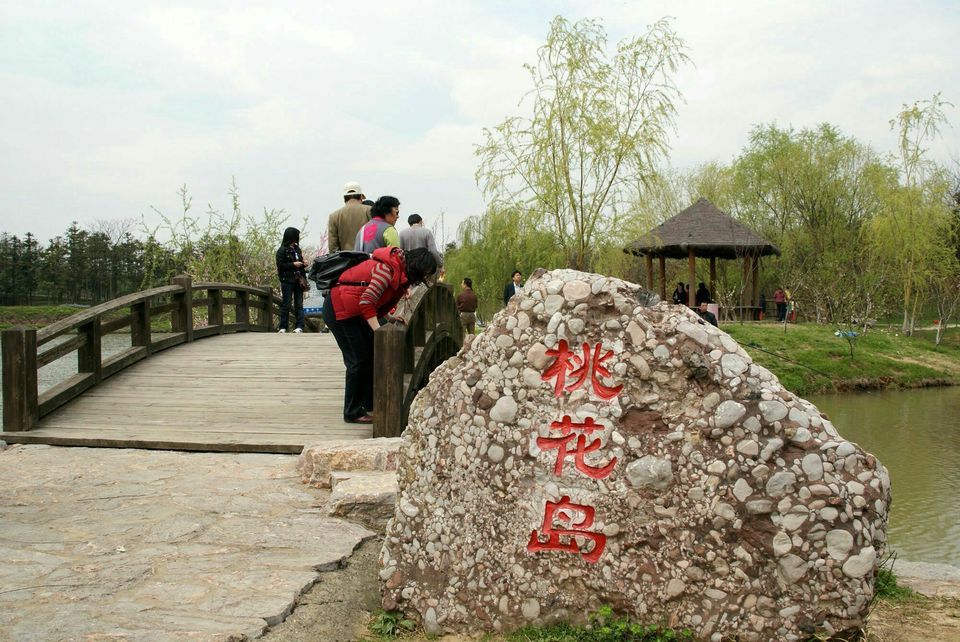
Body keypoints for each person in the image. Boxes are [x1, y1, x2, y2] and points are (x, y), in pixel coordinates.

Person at [323, 247, 438, 424]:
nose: (424, 278)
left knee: (370, 355)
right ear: (417, 267)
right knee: (357, 360)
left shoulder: (399, 272)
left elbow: (378, 299)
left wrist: (389, 317)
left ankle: (368, 403)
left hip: (355, 312)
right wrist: (378, 331)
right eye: (425, 273)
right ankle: (352, 412)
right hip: (340, 310)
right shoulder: (386, 270)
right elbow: (367, 300)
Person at [275, 227, 306, 333]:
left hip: (298, 280)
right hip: (287, 280)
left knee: (299, 304)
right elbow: (280, 265)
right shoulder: (282, 250)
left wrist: (303, 264)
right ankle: (283, 326)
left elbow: (300, 262)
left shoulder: (297, 249)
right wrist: (293, 264)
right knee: (286, 304)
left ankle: (300, 326)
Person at [327, 181, 371, 252]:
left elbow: (333, 246)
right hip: (366, 258)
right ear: (361, 196)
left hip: (345, 260)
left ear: (344, 198)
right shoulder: (369, 210)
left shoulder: (334, 216)